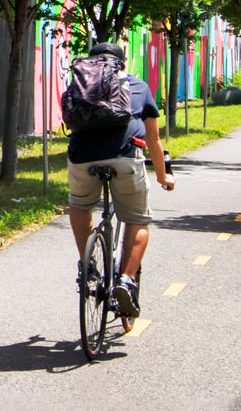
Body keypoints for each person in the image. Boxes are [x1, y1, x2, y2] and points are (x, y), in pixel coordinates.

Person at [66, 42, 175, 317]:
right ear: (122, 64)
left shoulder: (79, 84)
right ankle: (127, 279)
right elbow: (154, 139)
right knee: (137, 219)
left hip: (81, 157)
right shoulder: (138, 86)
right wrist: (163, 175)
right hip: (124, 156)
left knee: (79, 205)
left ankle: (87, 264)